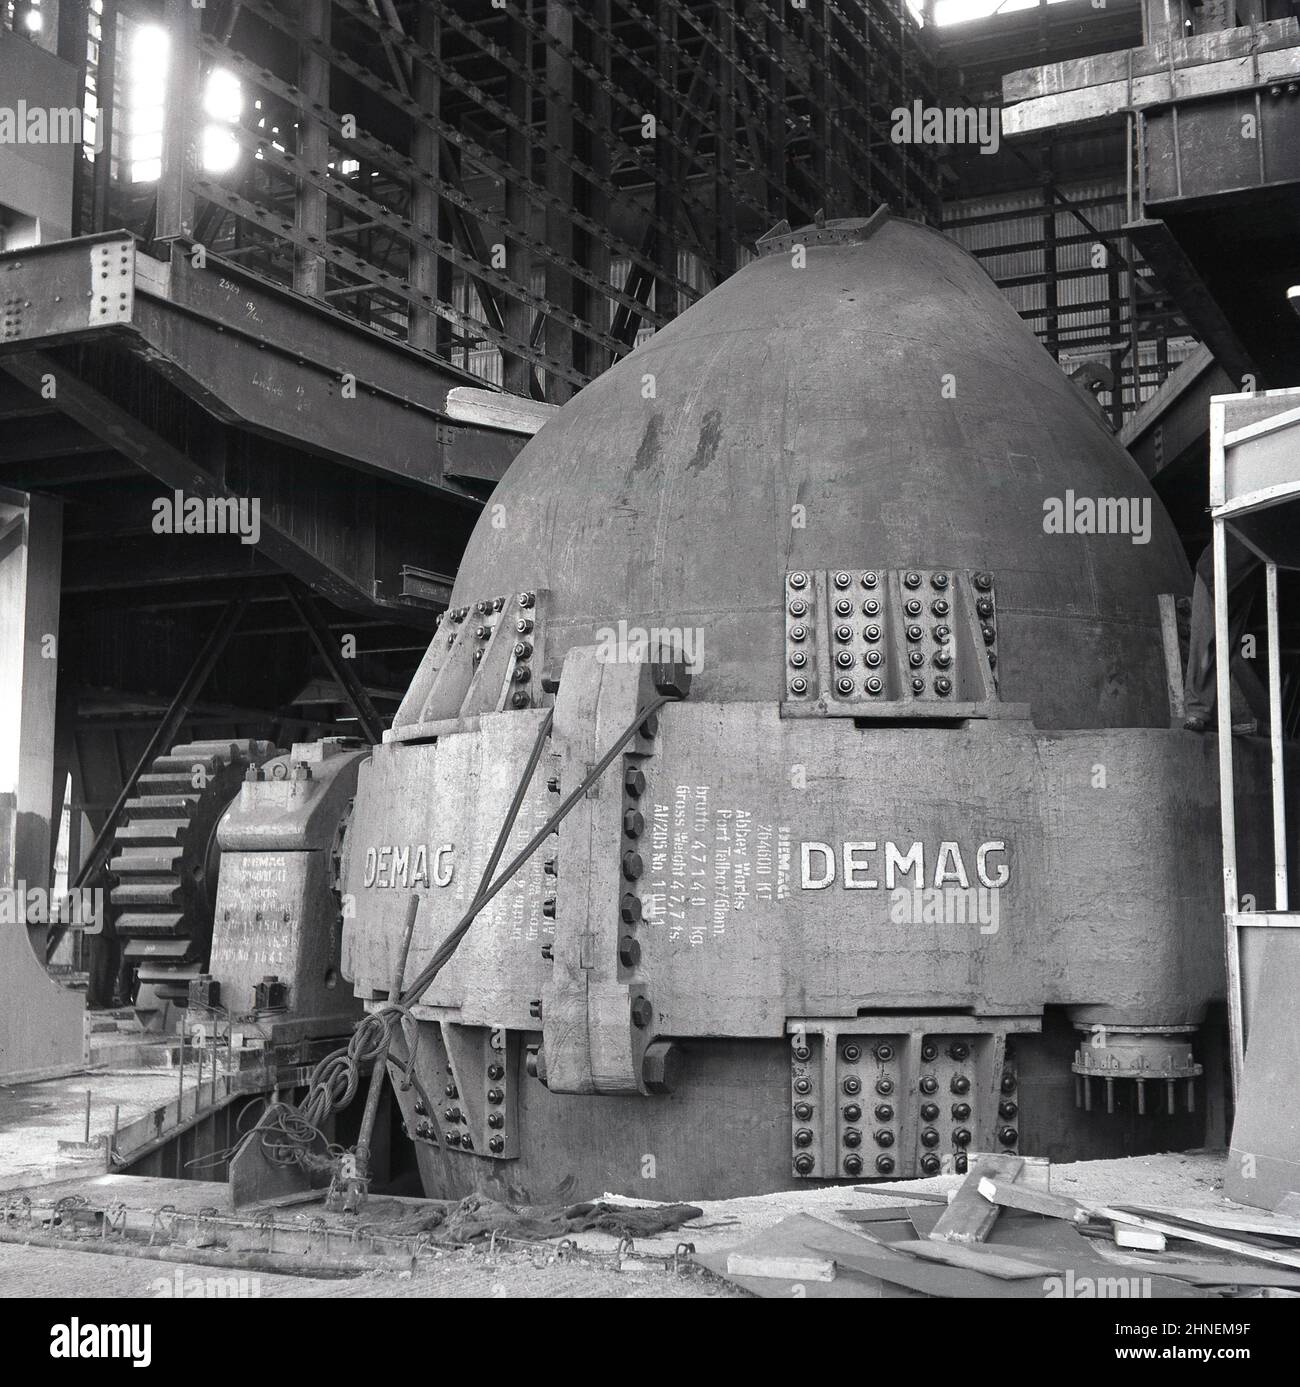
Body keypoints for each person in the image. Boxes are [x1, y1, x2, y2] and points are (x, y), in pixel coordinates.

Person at [1182, 535, 1267, 733]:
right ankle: (1196, 711)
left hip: (1243, 581)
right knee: (1205, 643)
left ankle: (1214, 716)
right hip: (1213, 576)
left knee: (1227, 648)